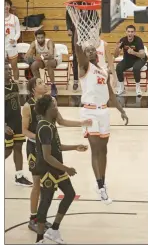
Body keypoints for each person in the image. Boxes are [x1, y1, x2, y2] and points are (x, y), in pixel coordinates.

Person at [22, 77, 92, 233]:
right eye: (40, 83)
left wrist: (82, 123)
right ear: (33, 89)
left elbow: (62, 121)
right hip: (35, 149)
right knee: (37, 186)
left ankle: (42, 221)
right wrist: (39, 138)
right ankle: (33, 218)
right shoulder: (27, 106)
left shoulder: (51, 101)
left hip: (49, 146)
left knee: (49, 189)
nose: (44, 84)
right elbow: (24, 131)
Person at [74, 31, 129, 203]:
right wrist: (77, 28)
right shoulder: (85, 67)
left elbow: (111, 95)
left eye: (92, 50)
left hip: (104, 111)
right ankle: (100, 186)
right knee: (96, 147)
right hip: (89, 112)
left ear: (97, 53)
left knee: (103, 150)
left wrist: (121, 110)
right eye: (87, 51)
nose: (90, 52)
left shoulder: (104, 71)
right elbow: (77, 49)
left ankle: (102, 183)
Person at [35, 95, 88, 243]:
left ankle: (54, 229)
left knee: (70, 194)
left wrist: (75, 147)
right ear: (47, 109)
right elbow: (47, 156)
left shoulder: (50, 124)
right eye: (54, 106)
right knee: (45, 202)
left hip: (56, 168)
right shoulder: (44, 127)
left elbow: (57, 148)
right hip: (47, 170)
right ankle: (39, 239)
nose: (57, 108)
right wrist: (67, 168)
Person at [66, 0, 99, 91]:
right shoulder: (71, 6)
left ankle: (92, 77)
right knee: (76, 57)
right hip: (76, 33)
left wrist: (94, 29)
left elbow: (96, 19)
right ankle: (76, 81)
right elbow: (68, 19)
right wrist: (68, 29)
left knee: (91, 55)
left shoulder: (89, 5)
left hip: (87, 33)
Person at [5, 63, 32, 186]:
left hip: (17, 121)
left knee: (18, 147)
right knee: (7, 150)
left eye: (9, 69)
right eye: (5, 70)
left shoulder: (14, 85)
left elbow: (18, 104)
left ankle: (19, 176)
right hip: (6, 123)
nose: (8, 71)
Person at [114, 25, 147, 97]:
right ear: (126, 32)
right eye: (128, 31)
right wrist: (117, 48)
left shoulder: (138, 40)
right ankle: (122, 88)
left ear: (134, 33)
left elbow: (143, 55)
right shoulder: (123, 40)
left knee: (136, 68)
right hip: (128, 59)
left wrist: (134, 52)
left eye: (132, 32)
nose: (130, 33)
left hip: (139, 59)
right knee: (118, 67)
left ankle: (138, 89)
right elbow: (115, 55)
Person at [25, 29, 58, 97]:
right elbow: (27, 54)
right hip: (43, 60)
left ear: (44, 37)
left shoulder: (49, 42)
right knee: (33, 66)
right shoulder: (34, 43)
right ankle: (39, 85)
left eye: (42, 37)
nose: (40, 39)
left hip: (54, 59)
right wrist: (29, 57)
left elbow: (51, 54)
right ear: (36, 38)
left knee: (49, 63)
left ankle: (53, 86)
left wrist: (41, 57)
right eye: (38, 38)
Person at [5, 0, 21, 82]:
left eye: (7, 4)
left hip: (12, 45)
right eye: (4, 4)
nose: (6, 6)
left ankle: (16, 84)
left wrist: (14, 39)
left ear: (10, 6)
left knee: (14, 66)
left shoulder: (15, 18)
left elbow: (18, 32)